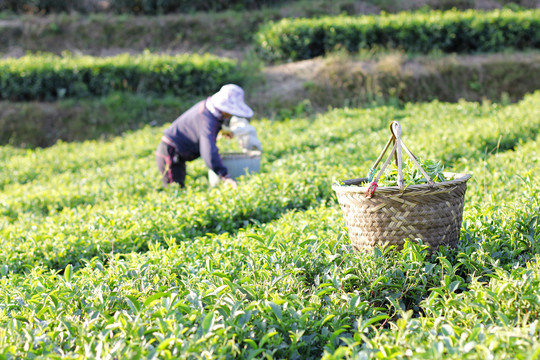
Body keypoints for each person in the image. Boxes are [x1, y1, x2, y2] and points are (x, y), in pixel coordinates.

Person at [156, 84, 254, 188]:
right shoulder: (208, 120)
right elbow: (208, 151)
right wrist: (225, 176)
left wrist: (222, 129)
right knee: (174, 190)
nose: (230, 115)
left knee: (179, 187)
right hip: (170, 152)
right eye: (230, 112)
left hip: (176, 154)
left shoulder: (210, 110)